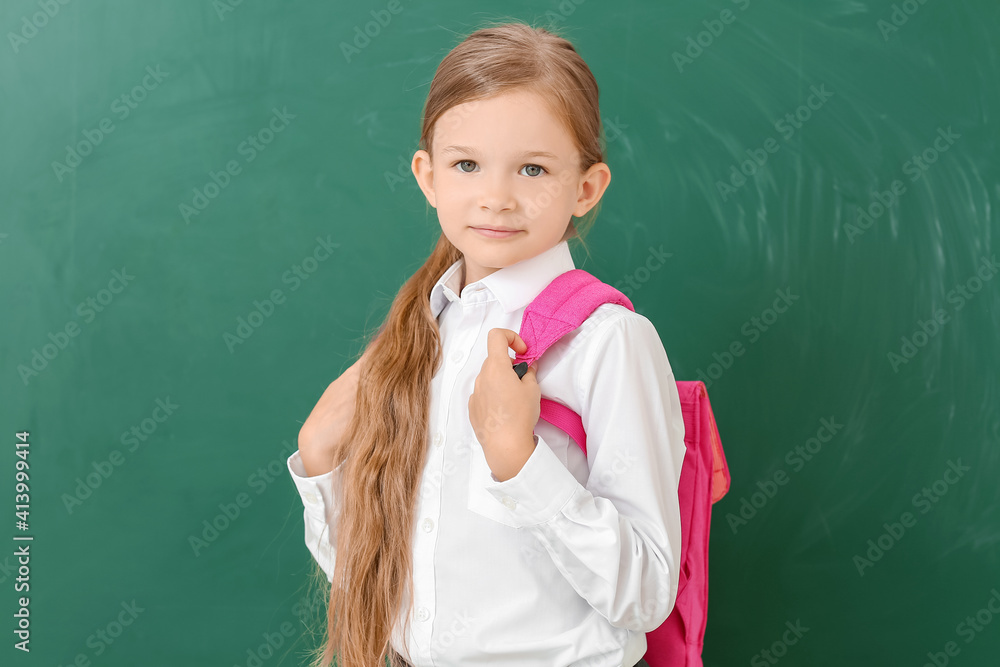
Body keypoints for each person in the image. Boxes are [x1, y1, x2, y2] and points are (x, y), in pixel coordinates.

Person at [286, 21, 684, 667]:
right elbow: (380, 589)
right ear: (428, 175)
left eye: (533, 168)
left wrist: (516, 456)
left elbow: (643, 595)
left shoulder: (608, 341)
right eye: (467, 164)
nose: (496, 197)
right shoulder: (419, 337)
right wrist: (322, 461)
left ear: (586, 188)